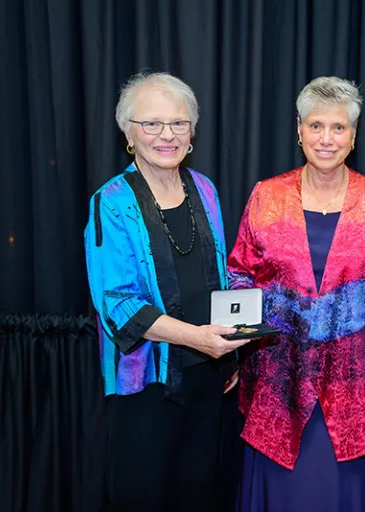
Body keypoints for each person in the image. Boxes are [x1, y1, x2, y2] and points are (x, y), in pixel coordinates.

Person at [228, 76, 365, 512]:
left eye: (338, 127)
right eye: (316, 126)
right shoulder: (266, 195)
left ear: (354, 134)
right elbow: (239, 273)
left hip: (355, 387)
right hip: (279, 385)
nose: (326, 139)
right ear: (299, 129)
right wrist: (236, 335)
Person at [84, 71, 249, 511]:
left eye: (178, 123)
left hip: (208, 375)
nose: (167, 135)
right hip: (146, 385)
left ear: (192, 132)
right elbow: (118, 304)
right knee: (145, 497)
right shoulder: (111, 202)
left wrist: (228, 352)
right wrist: (196, 338)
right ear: (129, 133)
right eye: (152, 123)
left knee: (200, 495)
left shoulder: (205, 189)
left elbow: (218, 277)